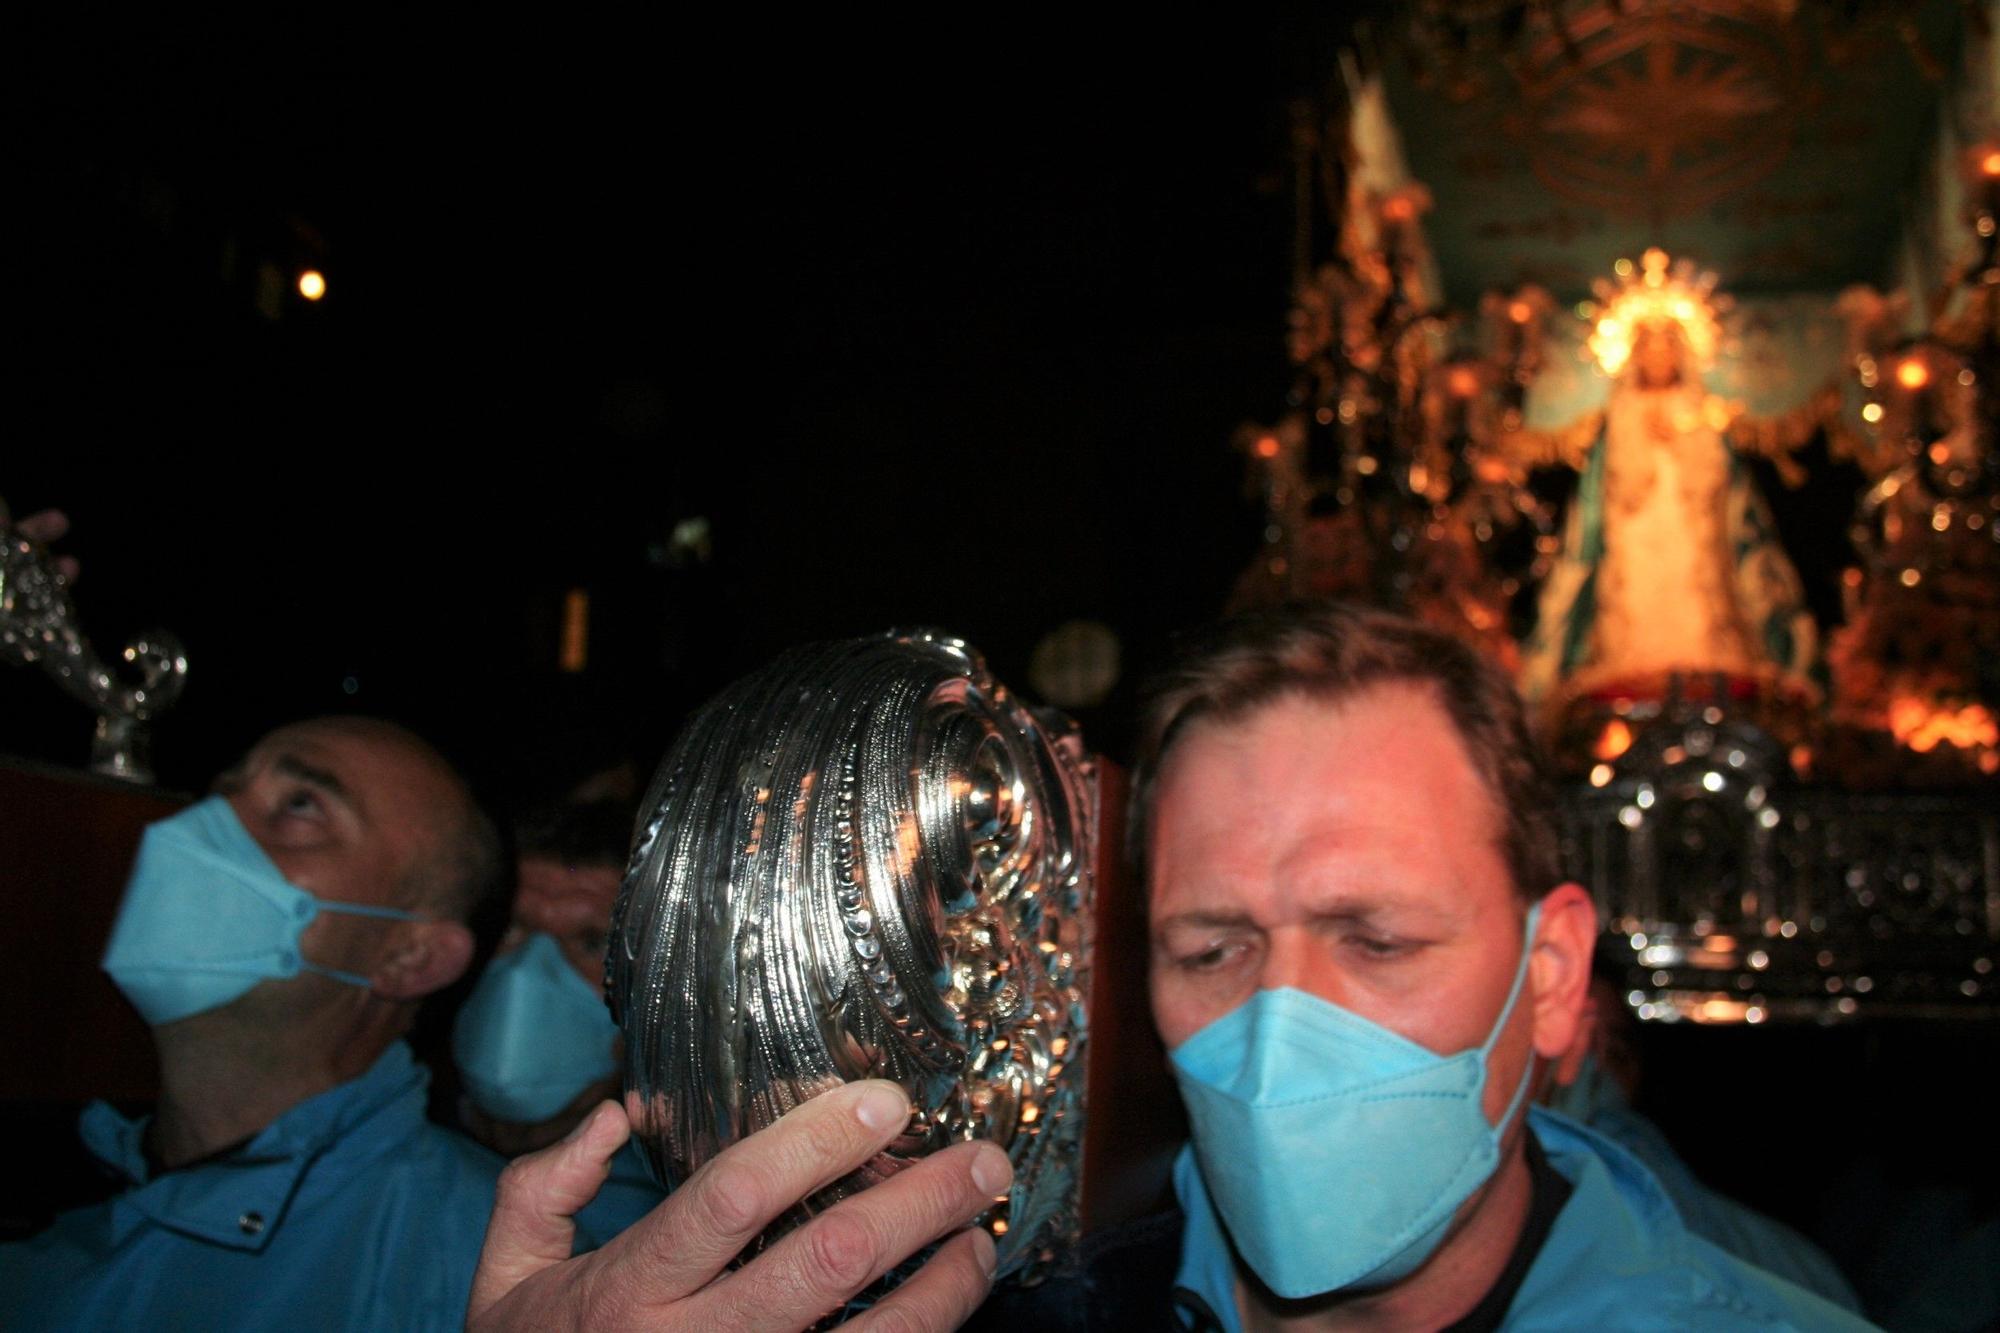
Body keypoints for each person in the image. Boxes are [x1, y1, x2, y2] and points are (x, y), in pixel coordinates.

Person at [0, 716, 512, 1331]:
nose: (192, 832)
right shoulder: (40, 1233)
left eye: (300, 805)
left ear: (411, 957)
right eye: (218, 797)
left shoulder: (489, 1271)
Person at [452, 797, 662, 1245]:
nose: (528, 974)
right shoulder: (368, 1149)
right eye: (512, 929)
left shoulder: (660, 1217)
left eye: (590, 943)